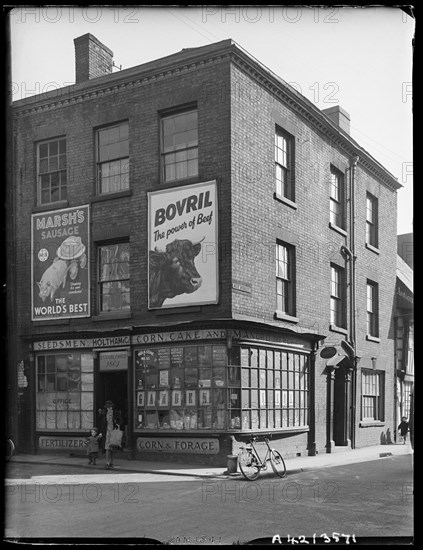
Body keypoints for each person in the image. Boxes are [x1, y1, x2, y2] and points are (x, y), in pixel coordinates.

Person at [98, 400, 123, 469]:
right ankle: (107, 462)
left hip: (114, 432)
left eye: (110, 407)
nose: (109, 408)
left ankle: (111, 462)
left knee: (113, 448)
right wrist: (100, 432)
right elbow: (101, 423)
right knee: (107, 448)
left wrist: (117, 422)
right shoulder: (104, 413)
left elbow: (120, 421)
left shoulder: (116, 412)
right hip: (107, 433)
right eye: (108, 407)